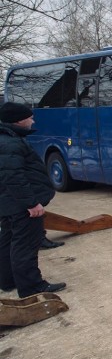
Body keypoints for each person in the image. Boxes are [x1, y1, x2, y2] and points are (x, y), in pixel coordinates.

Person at [0, 102, 67, 298]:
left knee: (8, 241)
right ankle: (32, 286)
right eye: (30, 117)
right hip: (21, 205)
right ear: (20, 120)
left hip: (8, 204)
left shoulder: (7, 140)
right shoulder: (10, 144)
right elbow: (13, 177)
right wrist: (31, 203)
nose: (33, 120)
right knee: (25, 245)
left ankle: (7, 280)